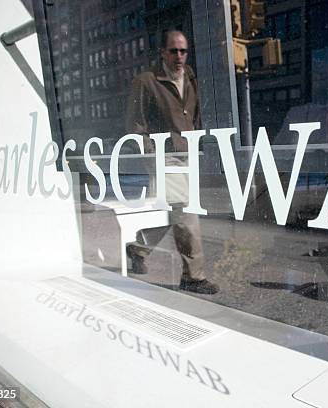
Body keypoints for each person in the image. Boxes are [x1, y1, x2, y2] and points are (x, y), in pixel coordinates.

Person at [125, 30, 218, 294]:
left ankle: (137, 248)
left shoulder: (190, 78)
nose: (179, 56)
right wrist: (150, 156)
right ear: (163, 52)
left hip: (188, 156)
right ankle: (193, 277)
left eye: (183, 51)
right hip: (164, 157)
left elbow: (196, 116)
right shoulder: (146, 81)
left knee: (171, 214)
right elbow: (135, 124)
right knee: (187, 215)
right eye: (174, 50)